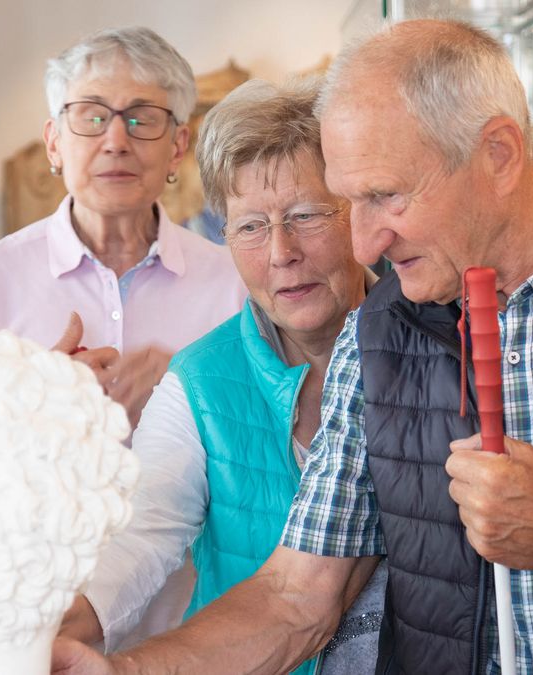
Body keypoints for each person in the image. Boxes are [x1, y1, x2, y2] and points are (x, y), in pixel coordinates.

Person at [52, 19, 533, 675]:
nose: (363, 241)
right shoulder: (383, 327)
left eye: (385, 195)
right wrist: (121, 670)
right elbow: (297, 594)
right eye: (348, 201)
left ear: (495, 153)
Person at [0, 26, 246, 644]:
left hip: (193, 624)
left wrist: (194, 390)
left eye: (142, 119)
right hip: (31, 624)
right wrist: (37, 399)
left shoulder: (233, 282)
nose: (115, 140)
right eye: (91, 116)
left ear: (179, 144)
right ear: (53, 141)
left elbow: (274, 447)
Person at [58, 77, 386, 672]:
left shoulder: (427, 348)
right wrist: (48, 635)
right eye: (250, 226)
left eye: (307, 214)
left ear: (358, 209)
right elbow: (144, 529)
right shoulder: (202, 379)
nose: (281, 251)